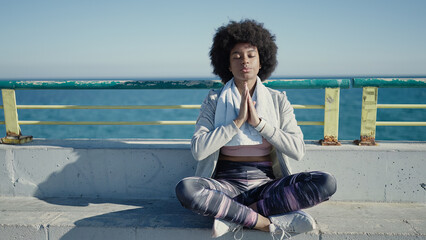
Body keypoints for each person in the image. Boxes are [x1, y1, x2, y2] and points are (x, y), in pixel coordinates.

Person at [175, 19, 337, 239]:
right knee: (186, 189)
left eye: (251, 55)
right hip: (226, 186)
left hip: (267, 186)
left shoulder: (278, 100)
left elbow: (297, 150)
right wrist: (237, 122)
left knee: (325, 182)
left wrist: (260, 124)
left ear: (261, 62)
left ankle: (236, 215)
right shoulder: (214, 100)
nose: (245, 61)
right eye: (237, 56)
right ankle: (263, 221)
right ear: (227, 64)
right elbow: (199, 150)